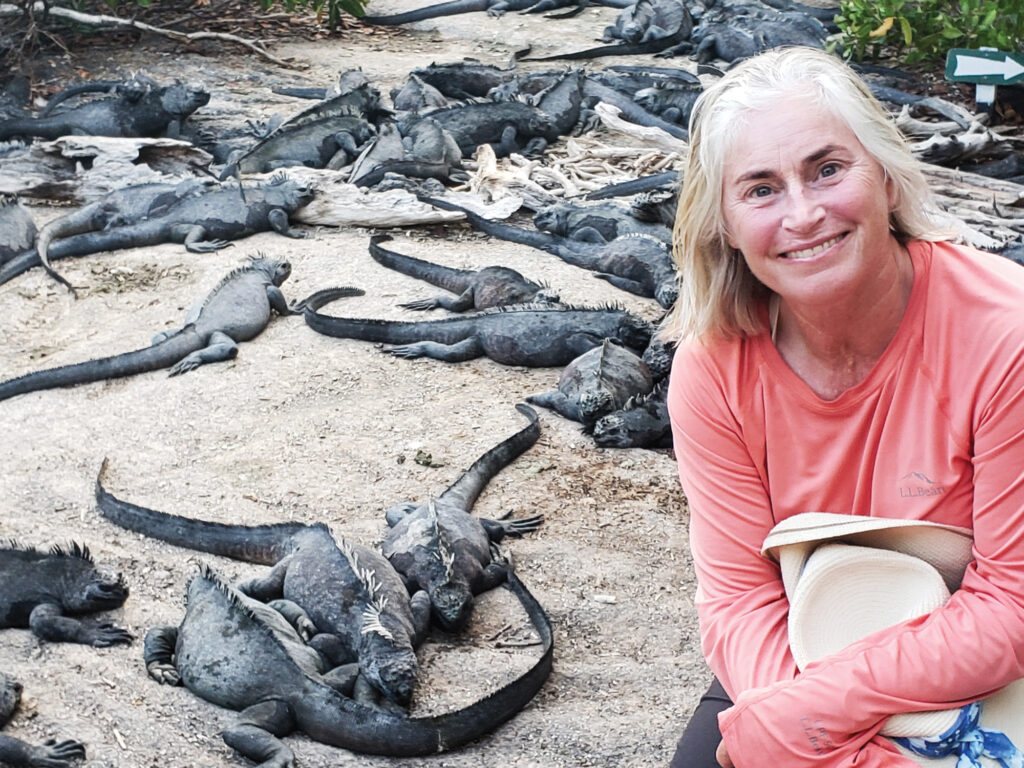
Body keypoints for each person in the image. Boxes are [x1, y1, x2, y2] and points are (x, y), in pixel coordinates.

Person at [661, 46, 1024, 767]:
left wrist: (819, 719)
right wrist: (815, 740)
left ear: (886, 177)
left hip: (986, 658)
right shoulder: (713, 366)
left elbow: (1013, 603)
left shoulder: (1004, 333)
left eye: (828, 170)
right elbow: (738, 599)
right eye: (760, 190)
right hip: (805, 641)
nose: (804, 213)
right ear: (724, 226)